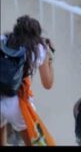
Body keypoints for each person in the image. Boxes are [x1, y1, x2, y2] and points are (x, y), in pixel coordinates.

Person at [0, 15, 56, 146]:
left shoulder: (3, 40)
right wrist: (50, 60)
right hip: (17, 103)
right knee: (33, 142)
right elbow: (47, 84)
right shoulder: (39, 50)